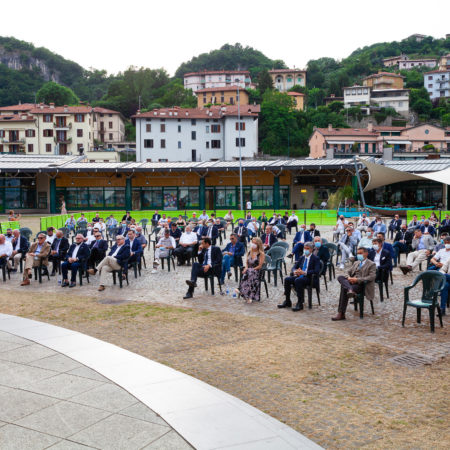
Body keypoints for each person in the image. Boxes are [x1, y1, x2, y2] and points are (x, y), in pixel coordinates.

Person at [332, 247, 376, 321]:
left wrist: (357, 279)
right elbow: (347, 271)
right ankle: (350, 289)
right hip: (351, 282)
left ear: (366, 253)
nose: (359, 255)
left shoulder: (371, 264)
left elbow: (371, 277)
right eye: (358, 253)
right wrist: (349, 278)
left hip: (361, 285)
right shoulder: (356, 262)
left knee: (344, 287)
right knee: (340, 277)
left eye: (360, 253)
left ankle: (341, 313)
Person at [278, 242, 320, 311]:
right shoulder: (302, 257)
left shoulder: (315, 258)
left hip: (309, 278)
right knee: (287, 279)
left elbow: (316, 271)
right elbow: (294, 267)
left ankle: (300, 303)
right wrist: (295, 271)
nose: (305, 250)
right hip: (300, 276)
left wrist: (304, 272)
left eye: (307, 249)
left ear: (311, 250)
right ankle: (287, 301)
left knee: (298, 281)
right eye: (305, 248)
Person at [236, 237, 265, 304]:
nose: (253, 244)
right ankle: (247, 296)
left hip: (257, 271)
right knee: (248, 272)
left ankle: (241, 290)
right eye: (253, 243)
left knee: (250, 272)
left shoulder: (261, 254)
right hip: (249, 271)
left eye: (255, 243)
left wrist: (250, 269)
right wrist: (246, 268)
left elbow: (260, 266)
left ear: (258, 244)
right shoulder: (250, 252)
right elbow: (247, 263)